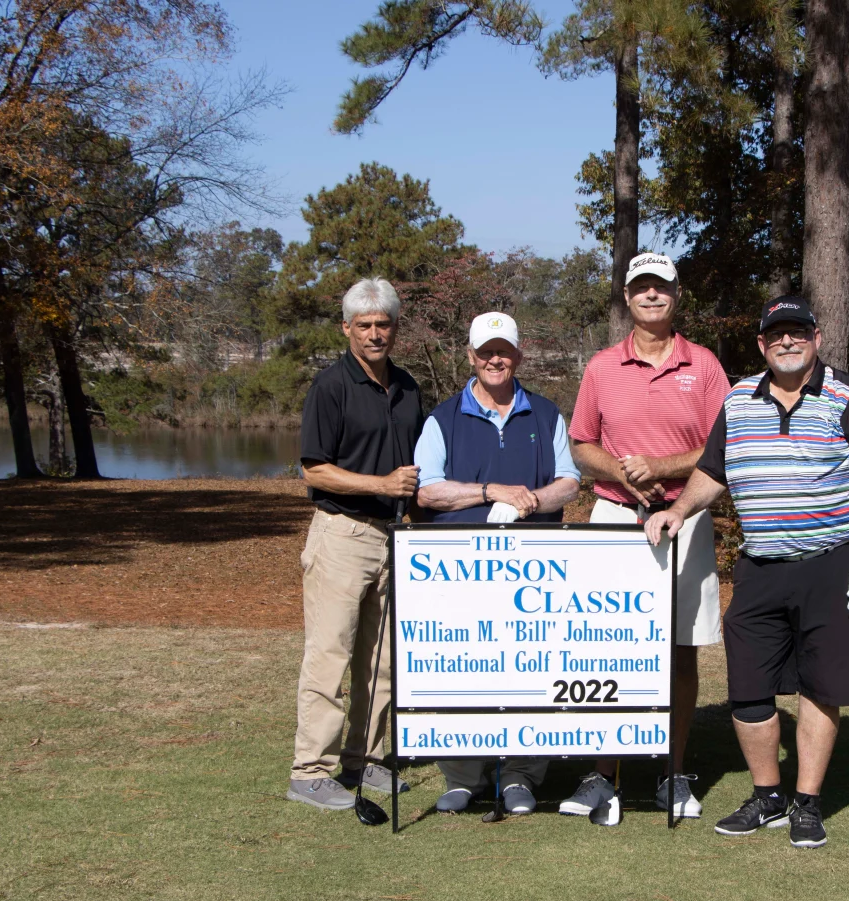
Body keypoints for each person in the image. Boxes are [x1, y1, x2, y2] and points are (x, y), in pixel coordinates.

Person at [645, 295, 849, 849]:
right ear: (762, 344)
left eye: (798, 332)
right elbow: (714, 470)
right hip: (760, 566)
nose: (788, 341)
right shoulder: (739, 400)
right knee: (749, 691)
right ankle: (768, 798)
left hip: (833, 563)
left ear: (816, 338)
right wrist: (677, 510)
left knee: (821, 685)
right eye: (777, 334)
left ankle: (807, 804)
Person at [561, 252, 733, 824]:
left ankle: (672, 772)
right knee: (609, 647)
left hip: (686, 517)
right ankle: (602, 775)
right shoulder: (602, 366)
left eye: (661, 287)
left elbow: (724, 446)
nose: (651, 296)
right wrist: (620, 472)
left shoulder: (704, 365)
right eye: (641, 288)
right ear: (627, 297)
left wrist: (659, 466)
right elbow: (582, 444)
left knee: (680, 651)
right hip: (614, 518)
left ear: (675, 295)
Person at [415, 311, 582, 814]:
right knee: (463, 670)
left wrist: (533, 498)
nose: (495, 359)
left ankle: (522, 776)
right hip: (460, 571)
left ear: (518, 356)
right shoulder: (442, 418)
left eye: (504, 350)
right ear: (470, 356)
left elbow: (570, 481)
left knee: (532, 670)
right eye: (486, 351)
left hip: (533, 572)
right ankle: (463, 775)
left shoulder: (547, 413)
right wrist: (490, 492)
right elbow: (428, 490)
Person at [287, 278, 423, 818]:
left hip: (395, 538)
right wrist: (381, 485)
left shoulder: (408, 387)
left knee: (382, 659)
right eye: (363, 325)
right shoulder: (330, 387)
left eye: (383, 324)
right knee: (330, 654)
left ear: (395, 327)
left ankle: (363, 756)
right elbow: (313, 469)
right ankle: (311, 771)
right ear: (346, 329)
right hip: (342, 533)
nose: (374, 334)